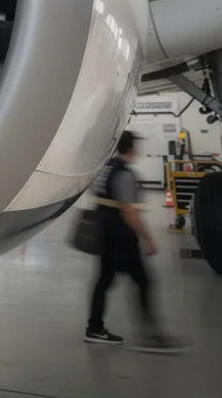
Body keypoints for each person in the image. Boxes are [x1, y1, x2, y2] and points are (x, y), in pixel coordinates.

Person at [84, 130, 186, 353]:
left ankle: (94, 328)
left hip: (104, 235)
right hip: (122, 238)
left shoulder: (104, 169)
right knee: (143, 282)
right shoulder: (125, 174)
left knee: (103, 281)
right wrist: (148, 238)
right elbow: (129, 212)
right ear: (131, 148)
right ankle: (151, 337)